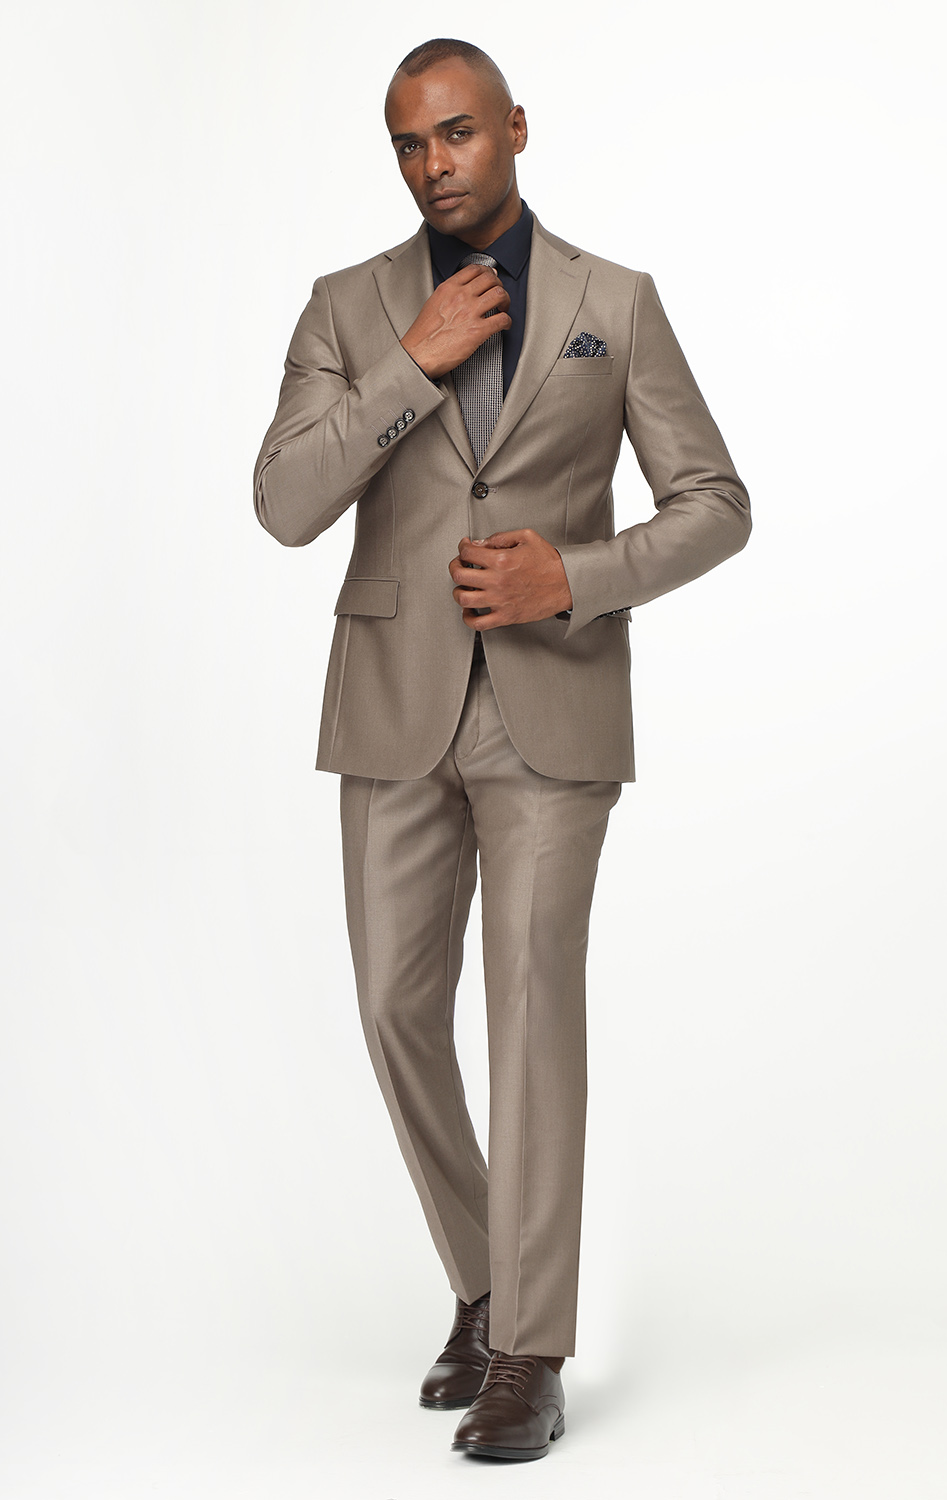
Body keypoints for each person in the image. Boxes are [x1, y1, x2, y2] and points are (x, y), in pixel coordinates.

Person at [253, 37, 750, 1462]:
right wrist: (411, 364)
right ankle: (486, 1282)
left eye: (458, 134)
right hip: (392, 705)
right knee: (394, 1010)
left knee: (530, 1012)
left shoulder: (613, 303)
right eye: (410, 146)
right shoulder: (348, 308)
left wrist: (572, 578)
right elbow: (284, 502)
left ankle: (531, 1349)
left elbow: (715, 502)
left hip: (551, 703)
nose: (434, 165)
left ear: (515, 128)